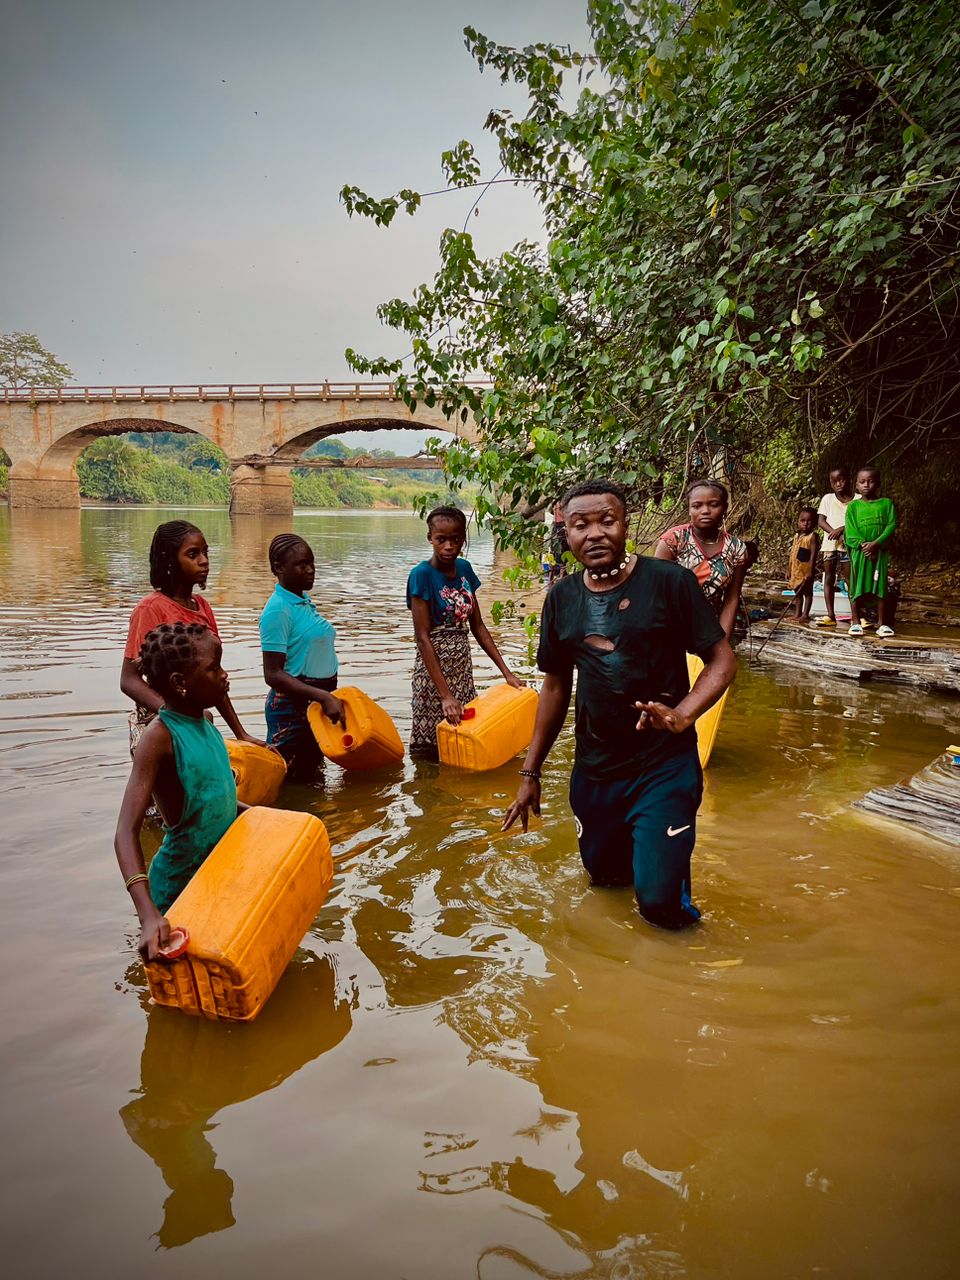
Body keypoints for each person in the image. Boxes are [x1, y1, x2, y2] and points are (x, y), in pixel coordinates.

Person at [503, 479, 737, 930]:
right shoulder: (561, 599)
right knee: (606, 882)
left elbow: (722, 661)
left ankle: (686, 971)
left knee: (659, 905)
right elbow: (555, 687)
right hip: (595, 771)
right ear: (565, 535)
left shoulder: (671, 582)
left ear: (626, 524)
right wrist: (530, 774)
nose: (594, 534)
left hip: (663, 767)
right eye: (580, 525)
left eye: (606, 521)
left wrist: (683, 714)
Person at [114, 622, 244, 960]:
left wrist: (271, 821)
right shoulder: (159, 738)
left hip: (212, 879)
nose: (224, 675)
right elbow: (126, 832)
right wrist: (149, 916)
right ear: (180, 683)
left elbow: (217, 803)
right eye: (214, 668)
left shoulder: (207, 724)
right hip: (177, 893)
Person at [121, 520, 263, 757]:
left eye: (205, 552)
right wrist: (172, 713)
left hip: (196, 720)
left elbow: (213, 674)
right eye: (193, 554)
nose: (204, 560)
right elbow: (129, 680)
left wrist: (241, 734)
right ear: (169, 560)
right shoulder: (150, 609)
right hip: (161, 726)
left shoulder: (202, 607)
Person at [407, 505, 524, 757]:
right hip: (433, 673)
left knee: (464, 740)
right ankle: (427, 792)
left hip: (461, 666)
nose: (449, 546)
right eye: (441, 539)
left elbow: (478, 626)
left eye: (456, 539)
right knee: (430, 748)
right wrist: (445, 696)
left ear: (463, 539)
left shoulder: (465, 570)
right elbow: (423, 638)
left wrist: (507, 673)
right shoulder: (421, 575)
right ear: (430, 539)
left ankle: (460, 795)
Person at [259, 534, 345, 782]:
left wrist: (325, 697)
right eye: (302, 565)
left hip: (316, 701)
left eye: (312, 564)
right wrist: (321, 696)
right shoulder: (278, 610)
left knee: (312, 776)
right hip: (292, 707)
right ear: (278, 568)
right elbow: (272, 674)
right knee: (287, 780)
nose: (310, 571)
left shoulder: (302, 602)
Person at [654, 480, 748, 641]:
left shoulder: (736, 548)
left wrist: (722, 644)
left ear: (725, 508)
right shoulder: (674, 540)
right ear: (689, 509)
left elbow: (731, 600)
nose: (705, 511)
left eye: (713, 504)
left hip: (710, 630)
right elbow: (655, 592)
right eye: (697, 506)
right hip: (668, 629)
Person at [845, 467, 898, 637]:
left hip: (880, 553)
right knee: (856, 585)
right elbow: (850, 530)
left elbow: (891, 525)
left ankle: (882, 624)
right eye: (862, 482)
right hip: (860, 554)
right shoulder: (853, 507)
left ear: (878, 483)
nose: (866, 485)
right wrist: (864, 545)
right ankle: (855, 621)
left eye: (871, 481)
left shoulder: (886, 504)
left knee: (880, 585)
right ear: (856, 486)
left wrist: (876, 544)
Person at [815, 467, 854, 627]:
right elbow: (821, 521)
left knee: (851, 579)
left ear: (848, 479)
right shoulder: (828, 499)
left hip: (849, 544)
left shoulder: (858, 499)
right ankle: (830, 614)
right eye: (834, 481)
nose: (838, 484)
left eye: (841, 479)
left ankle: (855, 616)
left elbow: (858, 521)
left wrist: (842, 529)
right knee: (829, 579)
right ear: (830, 483)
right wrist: (835, 533)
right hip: (830, 544)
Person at [787, 507, 820, 623]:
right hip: (796, 569)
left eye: (809, 521)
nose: (806, 524)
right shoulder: (797, 536)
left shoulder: (813, 537)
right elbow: (792, 554)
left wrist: (810, 571)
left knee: (807, 593)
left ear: (814, 523)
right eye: (803, 521)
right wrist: (789, 569)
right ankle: (797, 613)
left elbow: (813, 555)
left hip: (806, 570)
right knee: (798, 593)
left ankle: (805, 614)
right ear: (798, 521)